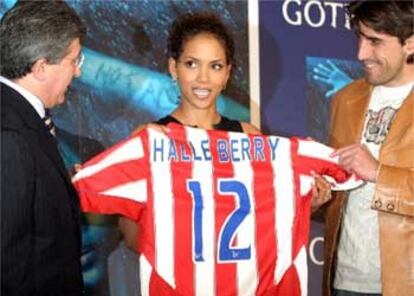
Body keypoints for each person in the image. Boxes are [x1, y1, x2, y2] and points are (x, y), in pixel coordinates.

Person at [119, 12, 332, 251]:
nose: (203, 78)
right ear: (173, 67)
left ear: (227, 74)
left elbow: (270, 225)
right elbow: (131, 236)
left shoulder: (249, 138)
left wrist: (308, 206)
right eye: (191, 64)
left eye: (215, 66)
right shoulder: (149, 140)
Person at [323, 1, 414, 296]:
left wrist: (378, 173)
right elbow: (334, 198)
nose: (361, 53)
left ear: (410, 43)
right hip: (344, 282)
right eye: (360, 38)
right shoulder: (344, 99)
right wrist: (317, 195)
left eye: (375, 41)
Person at [1, 1, 86, 295]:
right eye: (74, 61)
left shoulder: (18, 117)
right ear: (40, 67)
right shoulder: (9, 135)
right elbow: (8, 260)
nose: (77, 72)